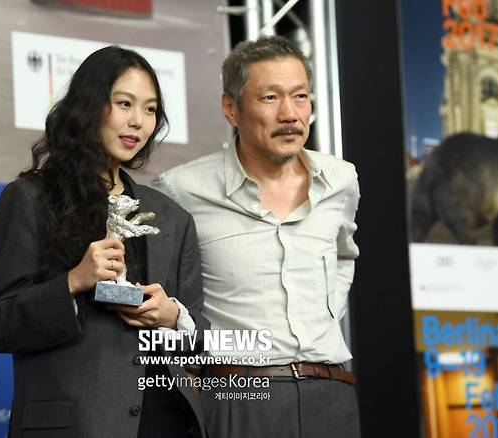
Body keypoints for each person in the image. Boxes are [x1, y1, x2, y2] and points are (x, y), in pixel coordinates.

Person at [0, 46, 208, 438]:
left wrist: (171, 318)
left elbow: (201, 340)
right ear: (88, 105)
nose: (138, 121)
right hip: (74, 425)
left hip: (165, 419)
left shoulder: (172, 217)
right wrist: (74, 281)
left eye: (150, 109)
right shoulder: (30, 198)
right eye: (124, 103)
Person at [154, 36, 361, 437]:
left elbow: (343, 256)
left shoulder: (341, 179)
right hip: (238, 395)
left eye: (300, 96)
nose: (290, 114)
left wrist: (326, 314)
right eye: (270, 97)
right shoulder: (182, 190)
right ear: (231, 108)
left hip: (331, 394)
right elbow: (159, 299)